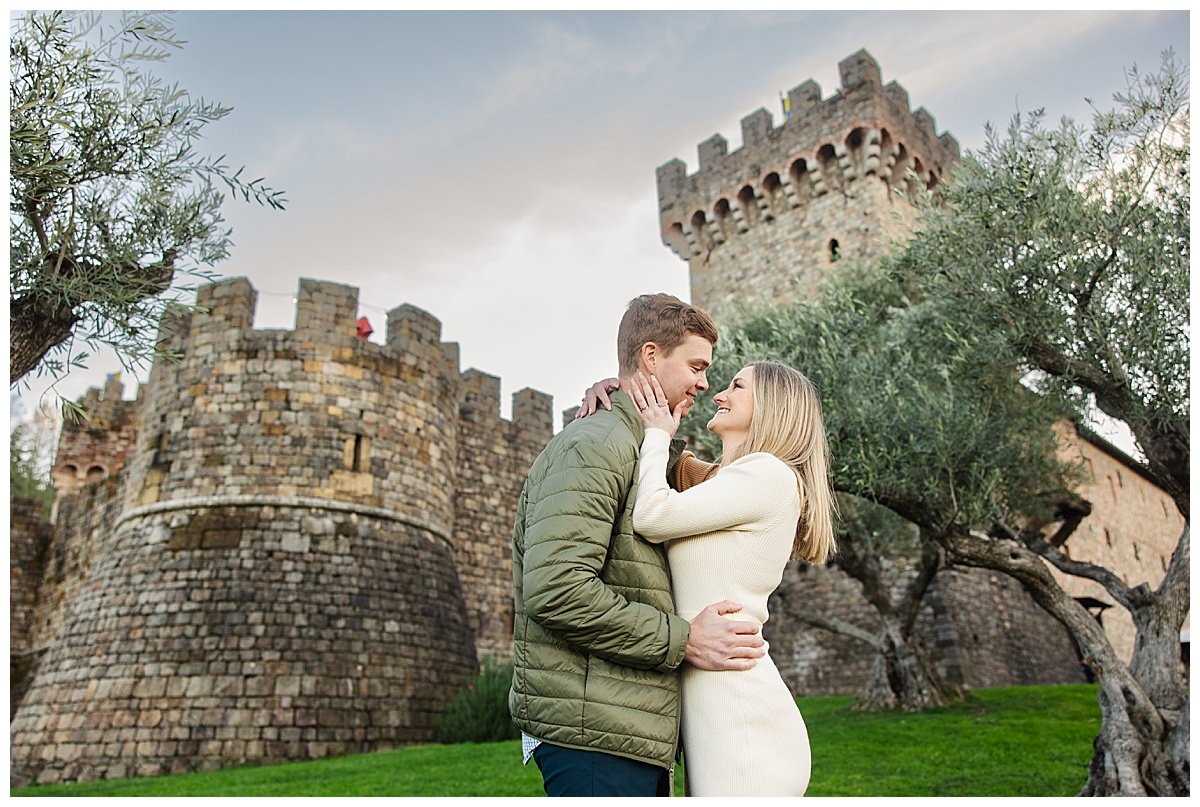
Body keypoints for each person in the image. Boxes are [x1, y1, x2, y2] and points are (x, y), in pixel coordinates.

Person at [509, 293, 768, 798]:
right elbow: (556, 588)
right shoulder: (596, 444)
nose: (704, 383)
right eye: (696, 365)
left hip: (621, 727)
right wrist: (684, 639)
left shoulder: (642, 448)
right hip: (594, 733)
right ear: (651, 357)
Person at [584, 361, 837, 796]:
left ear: (772, 407)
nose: (719, 394)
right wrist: (620, 399)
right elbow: (676, 469)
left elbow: (652, 514)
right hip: (715, 709)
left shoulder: (769, 476)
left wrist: (658, 433)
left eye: (736, 386)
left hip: (741, 718)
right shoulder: (728, 480)